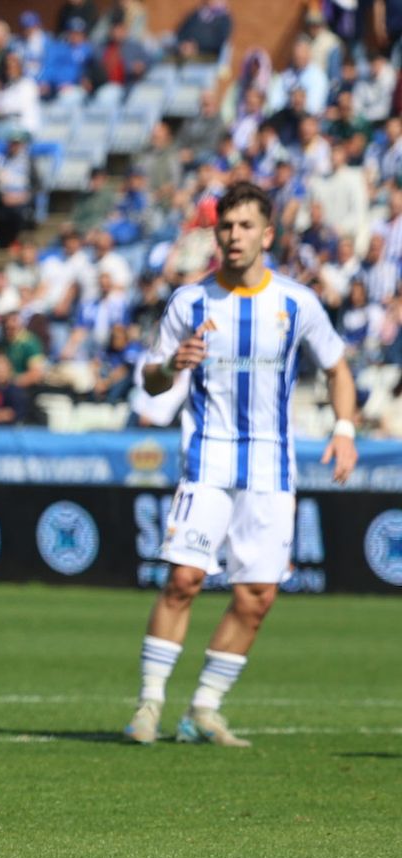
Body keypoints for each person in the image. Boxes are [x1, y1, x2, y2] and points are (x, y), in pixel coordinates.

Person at [126, 181, 359, 747]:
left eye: (245, 226)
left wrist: (345, 430)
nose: (233, 236)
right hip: (206, 462)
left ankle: (203, 709)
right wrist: (171, 366)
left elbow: (338, 367)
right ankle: (149, 706)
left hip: (271, 471)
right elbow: (150, 380)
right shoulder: (190, 302)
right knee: (184, 578)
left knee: (257, 596)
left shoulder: (296, 302)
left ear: (267, 234)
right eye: (226, 227)